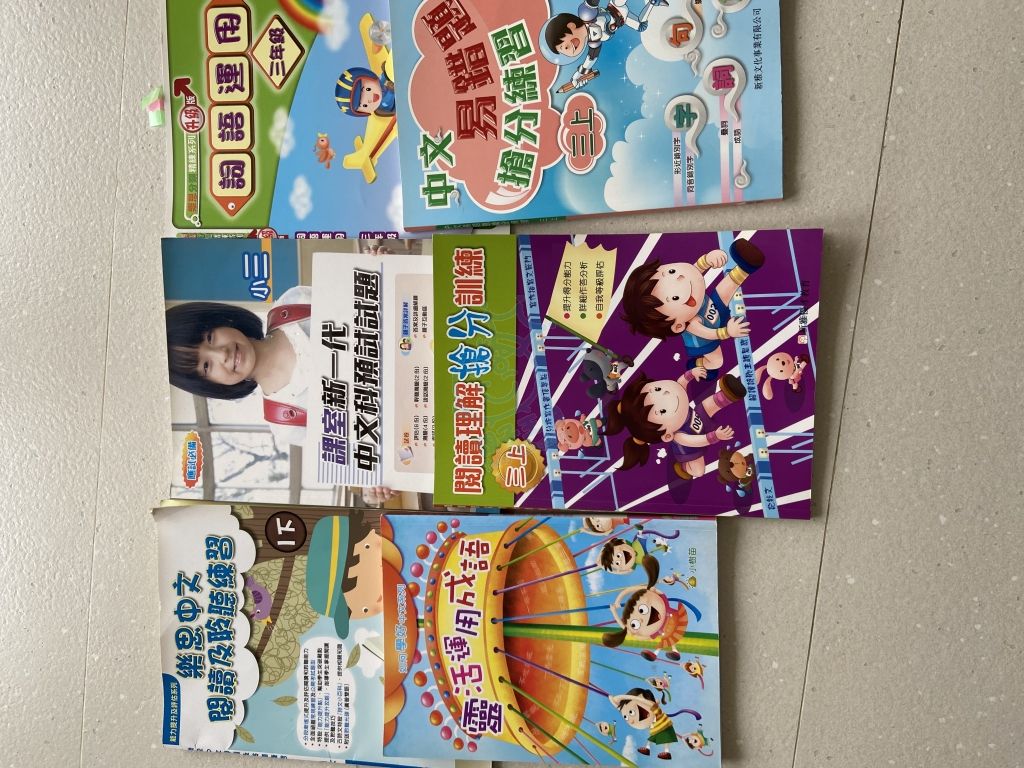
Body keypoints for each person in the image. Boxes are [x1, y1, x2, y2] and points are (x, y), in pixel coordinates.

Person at [165, 293, 395, 504]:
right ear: (211, 384)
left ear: (221, 321)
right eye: (207, 366)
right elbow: (359, 457)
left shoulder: (293, 304)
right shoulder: (284, 422)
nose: (222, 354)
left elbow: (370, 301)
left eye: (210, 337)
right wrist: (372, 487)